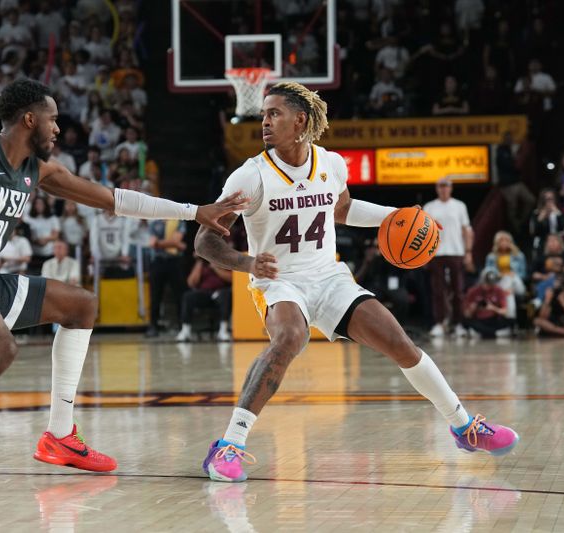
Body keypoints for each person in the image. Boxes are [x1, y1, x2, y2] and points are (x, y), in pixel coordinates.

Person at [0, 79, 245, 498]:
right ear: (29, 119)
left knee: (81, 306)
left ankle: (59, 434)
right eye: (53, 119)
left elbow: (114, 200)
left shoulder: (39, 171)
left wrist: (195, 211)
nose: (58, 129)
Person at [193, 82, 518, 483]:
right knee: (290, 337)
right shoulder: (251, 176)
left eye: (274, 113)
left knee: (401, 343)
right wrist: (246, 262)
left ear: (301, 121)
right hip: (279, 280)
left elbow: (342, 209)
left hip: (329, 276)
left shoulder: (330, 163)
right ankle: (229, 446)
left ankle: (464, 426)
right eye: (264, 114)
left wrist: (395, 215)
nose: (265, 121)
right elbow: (205, 240)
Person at [423, 178, 474, 338]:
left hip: (456, 252)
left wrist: (468, 252)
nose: (444, 189)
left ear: (451, 188)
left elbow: (466, 230)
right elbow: (423, 232)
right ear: (437, 188)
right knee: (438, 290)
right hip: (436, 253)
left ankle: (458, 324)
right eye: (441, 186)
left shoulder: (459, 206)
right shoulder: (430, 207)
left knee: (458, 290)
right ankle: (439, 323)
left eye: (446, 186)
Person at [175, 258, 232, 342]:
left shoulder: (223, 261)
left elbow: (231, 278)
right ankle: (185, 331)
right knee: (188, 296)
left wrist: (215, 268)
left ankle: (223, 330)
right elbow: (191, 283)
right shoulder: (201, 264)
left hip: (220, 293)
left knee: (226, 295)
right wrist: (199, 262)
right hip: (204, 293)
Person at [462, 269, 513, 338]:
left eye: (491, 284)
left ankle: (485, 332)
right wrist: (473, 308)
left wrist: (493, 308)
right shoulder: (473, 291)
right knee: (466, 322)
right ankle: (493, 333)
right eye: (487, 283)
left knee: (511, 321)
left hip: (493, 319)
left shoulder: (498, 290)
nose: (489, 286)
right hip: (479, 319)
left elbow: (504, 311)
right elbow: (467, 315)